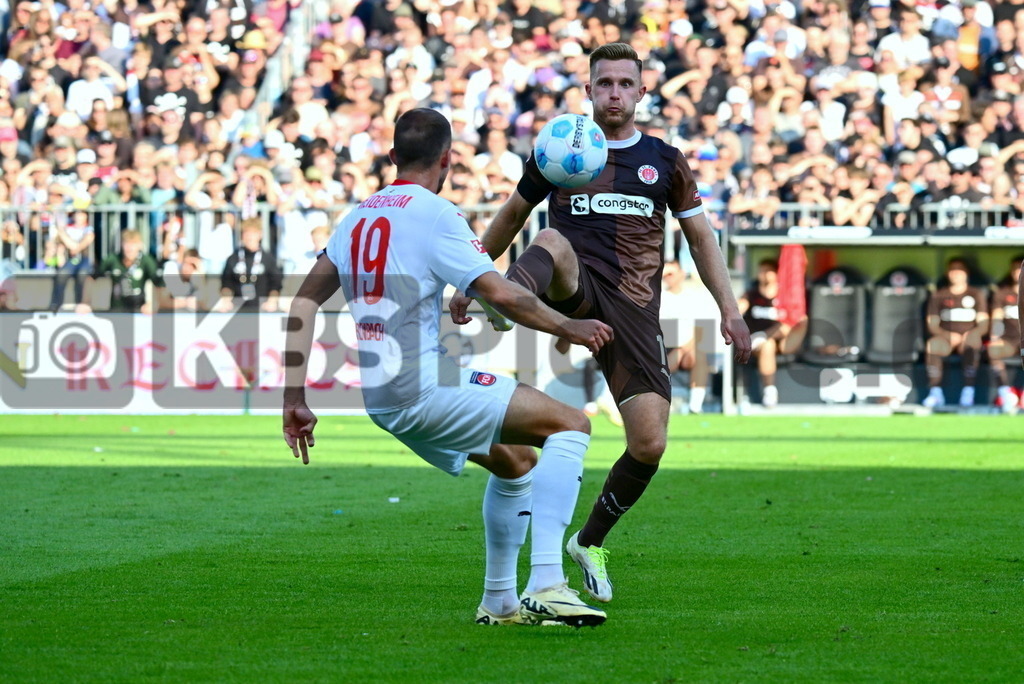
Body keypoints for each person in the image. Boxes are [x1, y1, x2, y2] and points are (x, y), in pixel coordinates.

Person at [282, 108, 613, 627]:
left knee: (515, 463)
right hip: (425, 387)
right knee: (572, 425)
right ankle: (549, 582)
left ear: (393, 157)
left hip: (383, 399)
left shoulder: (355, 218)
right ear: (447, 160)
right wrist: (569, 328)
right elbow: (500, 292)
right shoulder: (437, 214)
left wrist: (293, 400)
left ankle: (499, 603)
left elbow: (302, 305)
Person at [449, 43, 751, 604]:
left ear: (640, 91)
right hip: (574, 285)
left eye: (623, 83)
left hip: (634, 310)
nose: (614, 92)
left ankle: (588, 543)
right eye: (604, 82)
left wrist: (729, 310)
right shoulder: (559, 145)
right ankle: (504, 300)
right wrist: (472, 276)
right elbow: (513, 215)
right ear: (588, 90)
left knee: (650, 443)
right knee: (552, 239)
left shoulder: (665, 159)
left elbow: (701, 236)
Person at [737, 258, 808, 408]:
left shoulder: (785, 296)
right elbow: (740, 307)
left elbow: (793, 320)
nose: (763, 275)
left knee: (798, 321)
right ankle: (770, 392)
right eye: (761, 271)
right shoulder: (752, 294)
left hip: (785, 341)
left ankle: (765, 337)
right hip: (757, 343)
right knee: (767, 345)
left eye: (767, 271)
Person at [922, 257, 990, 409]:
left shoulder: (976, 294)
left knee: (973, 343)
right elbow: (932, 324)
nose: (955, 274)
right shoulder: (939, 295)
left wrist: (971, 334)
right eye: (952, 270)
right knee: (933, 345)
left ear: (966, 273)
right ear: (947, 273)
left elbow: (984, 324)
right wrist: (947, 335)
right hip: (946, 337)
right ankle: (935, 392)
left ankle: (968, 392)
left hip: (968, 337)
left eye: (959, 270)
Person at [82, 229, 165, 313]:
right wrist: (85, 302)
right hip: (116, 310)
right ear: (122, 244)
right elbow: (91, 278)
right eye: (127, 244)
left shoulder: (146, 261)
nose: (130, 248)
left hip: (139, 311)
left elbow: (159, 283)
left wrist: (154, 304)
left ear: (140, 245)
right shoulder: (113, 259)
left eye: (133, 244)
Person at [215, 219, 282, 313]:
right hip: (237, 309)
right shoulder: (233, 258)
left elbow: (276, 285)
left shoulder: (268, 259)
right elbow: (226, 283)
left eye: (253, 233)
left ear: (260, 235)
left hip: (262, 308)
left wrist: (272, 301)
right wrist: (226, 300)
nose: (250, 237)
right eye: (247, 233)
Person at [988, 255, 1022, 413]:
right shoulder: (1003, 292)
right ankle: (1005, 393)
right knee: (993, 348)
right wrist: (994, 335)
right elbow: (996, 316)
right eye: (1016, 268)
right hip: (1008, 340)